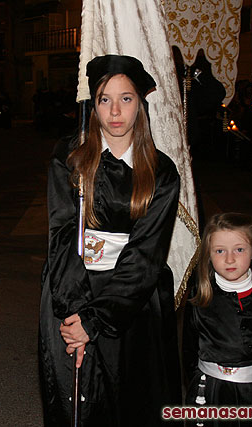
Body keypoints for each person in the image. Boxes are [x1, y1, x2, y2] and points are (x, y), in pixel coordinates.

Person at [39, 54, 181, 426]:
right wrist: (76, 314)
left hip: (132, 300)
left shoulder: (161, 171)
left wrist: (96, 319)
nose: (115, 111)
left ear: (141, 104)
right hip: (72, 289)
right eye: (105, 99)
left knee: (132, 400)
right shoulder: (69, 157)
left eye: (126, 98)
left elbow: (146, 254)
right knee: (78, 403)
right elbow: (63, 233)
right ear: (93, 104)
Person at [183, 213, 252, 424]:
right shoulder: (199, 298)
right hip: (210, 394)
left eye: (239, 249)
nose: (229, 259)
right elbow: (188, 351)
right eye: (220, 251)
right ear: (208, 255)